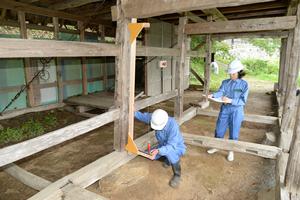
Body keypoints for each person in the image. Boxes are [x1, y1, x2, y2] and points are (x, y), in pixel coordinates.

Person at [207, 59, 249, 161]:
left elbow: (243, 100)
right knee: (219, 127)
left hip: (236, 110)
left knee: (234, 130)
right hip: (225, 109)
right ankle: (217, 145)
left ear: (239, 72)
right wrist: (213, 95)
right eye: (230, 73)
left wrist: (230, 100)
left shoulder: (244, 85)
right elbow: (221, 91)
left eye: (233, 73)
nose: (231, 75)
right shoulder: (225, 82)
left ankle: (231, 150)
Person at [134, 109, 186, 188]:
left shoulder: (173, 125)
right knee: (149, 155)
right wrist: (133, 112)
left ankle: (177, 175)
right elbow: (143, 116)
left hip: (176, 147)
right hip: (162, 145)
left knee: (169, 153)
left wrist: (159, 150)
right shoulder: (155, 117)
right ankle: (167, 160)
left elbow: (171, 145)